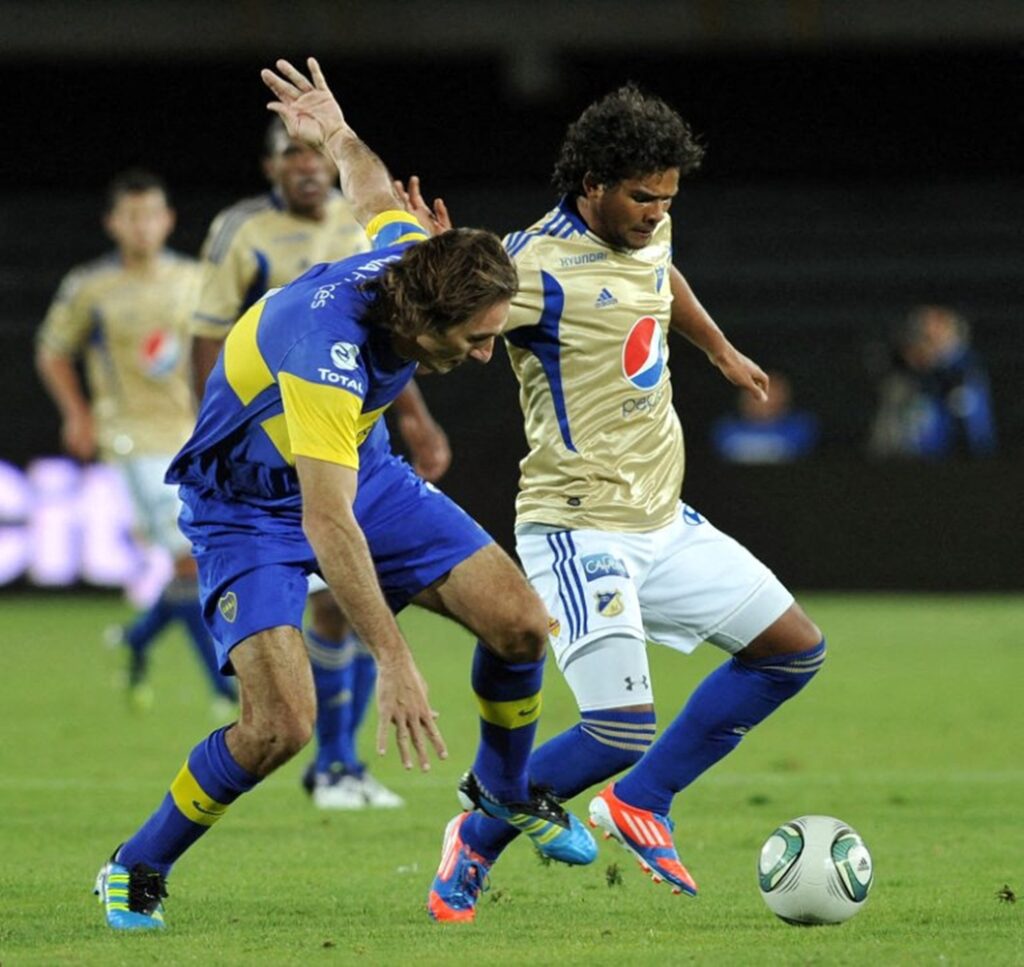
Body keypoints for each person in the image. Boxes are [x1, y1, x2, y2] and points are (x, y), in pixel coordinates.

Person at [93, 58, 594, 932]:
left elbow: (369, 187)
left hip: (362, 469)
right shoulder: (326, 348)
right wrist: (394, 660)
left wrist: (335, 129)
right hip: (246, 506)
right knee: (278, 725)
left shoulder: (411, 258)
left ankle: (504, 791)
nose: (487, 355)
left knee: (521, 624)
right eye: (476, 340)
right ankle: (136, 863)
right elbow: (327, 522)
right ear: (424, 325)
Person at [426, 84, 826, 922]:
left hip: (663, 518)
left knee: (791, 651)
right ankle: (475, 835)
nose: (657, 213)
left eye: (668, 198)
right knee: (616, 727)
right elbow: (450, 326)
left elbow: (660, 275)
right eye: (643, 196)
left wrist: (718, 349)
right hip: (579, 525)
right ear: (592, 184)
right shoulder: (531, 266)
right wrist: (442, 279)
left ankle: (642, 799)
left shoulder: (650, 231)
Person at [191, 119, 451, 810]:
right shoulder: (241, 231)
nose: (307, 167)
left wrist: (416, 416)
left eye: (315, 155)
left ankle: (339, 763)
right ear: (271, 167)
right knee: (331, 605)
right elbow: (209, 335)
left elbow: (391, 330)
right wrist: (209, 427)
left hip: (347, 429)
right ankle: (333, 761)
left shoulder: (355, 223)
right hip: (268, 447)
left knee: (347, 598)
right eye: (291, 156)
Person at [35, 169, 236, 713]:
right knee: (189, 558)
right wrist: (77, 415)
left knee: (194, 560)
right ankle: (223, 687)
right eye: (132, 217)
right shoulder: (91, 287)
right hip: (131, 439)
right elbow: (52, 350)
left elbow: (221, 349)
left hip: (190, 436)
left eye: (151, 215)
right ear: (112, 223)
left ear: (168, 219)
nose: (142, 226)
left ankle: (138, 639)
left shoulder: (194, 279)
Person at [868, 304, 996, 458]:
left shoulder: (964, 375)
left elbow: (976, 438)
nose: (924, 344)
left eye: (932, 337)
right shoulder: (898, 377)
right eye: (921, 335)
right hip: (901, 460)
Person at [710, 369, 819, 463]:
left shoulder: (801, 429)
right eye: (755, 393)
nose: (764, 401)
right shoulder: (724, 430)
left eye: (772, 395)